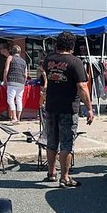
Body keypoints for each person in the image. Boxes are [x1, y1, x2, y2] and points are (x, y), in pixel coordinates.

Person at [42, 31, 93, 188]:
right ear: (72, 45)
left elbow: (45, 78)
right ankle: (65, 177)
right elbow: (82, 86)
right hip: (68, 108)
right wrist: (90, 108)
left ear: (57, 43)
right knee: (66, 143)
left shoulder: (48, 59)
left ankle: (51, 173)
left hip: (51, 106)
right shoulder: (75, 62)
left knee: (51, 141)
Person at [2, 44, 28, 125]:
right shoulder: (24, 61)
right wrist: (24, 82)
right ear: (19, 52)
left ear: (12, 51)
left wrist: (4, 80)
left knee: (10, 99)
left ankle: (14, 117)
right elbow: (26, 74)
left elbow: (6, 70)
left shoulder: (10, 58)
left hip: (12, 80)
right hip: (21, 82)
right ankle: (18, 117)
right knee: (19, 99)